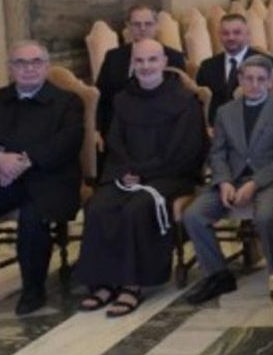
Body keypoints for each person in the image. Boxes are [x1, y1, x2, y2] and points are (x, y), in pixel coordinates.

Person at [0, 40, 85, 317]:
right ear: (10, 68)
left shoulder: (67, 102)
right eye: (20, 63)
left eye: (36, 62)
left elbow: (68, 140)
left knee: (33, 222)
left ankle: (33, 291)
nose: (29, 69)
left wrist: (23, 161)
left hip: (47, 180)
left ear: (46, 66)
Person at [77, 40, 206, 316]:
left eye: (152, 60)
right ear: (133, 64)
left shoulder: (185, 101)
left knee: (137, 208)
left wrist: (145, 173)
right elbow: (115, 142)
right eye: (140, 61)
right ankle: (102, 283)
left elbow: (185, 149)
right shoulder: (123, 99)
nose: (146, 66)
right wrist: (127, 172)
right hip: (128, 174)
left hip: (170, 175)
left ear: (163, 62)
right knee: (98, 206)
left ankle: (132, 285)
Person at [181, 56, 273, 304]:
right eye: (249, 79)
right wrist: (224, 181)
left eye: (261, 79)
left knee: (265, 217)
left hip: (269, 180)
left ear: (270, 82)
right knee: (193, 215)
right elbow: (218, 152)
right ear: (240, 80)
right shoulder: (226, 111)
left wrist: (254, 184)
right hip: (232, 179)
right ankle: (218, 275)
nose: (254, 84)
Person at [94, 5, 184, 136]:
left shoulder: (174, 57)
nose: (142, 28)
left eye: (148, 24)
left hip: (160, 126)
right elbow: (100, 96)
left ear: (157, 25)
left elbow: (178, 100)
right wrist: (97, 129)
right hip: (118, 127)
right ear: (128, 26)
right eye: (137, 24)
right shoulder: (113, 57)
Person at [195, 12, 273, 123]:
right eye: (225, 33)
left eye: (237, 33)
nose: (231, 37)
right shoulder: (207, 66)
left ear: (248, 34)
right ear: (219, 36)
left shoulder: (266, 63)